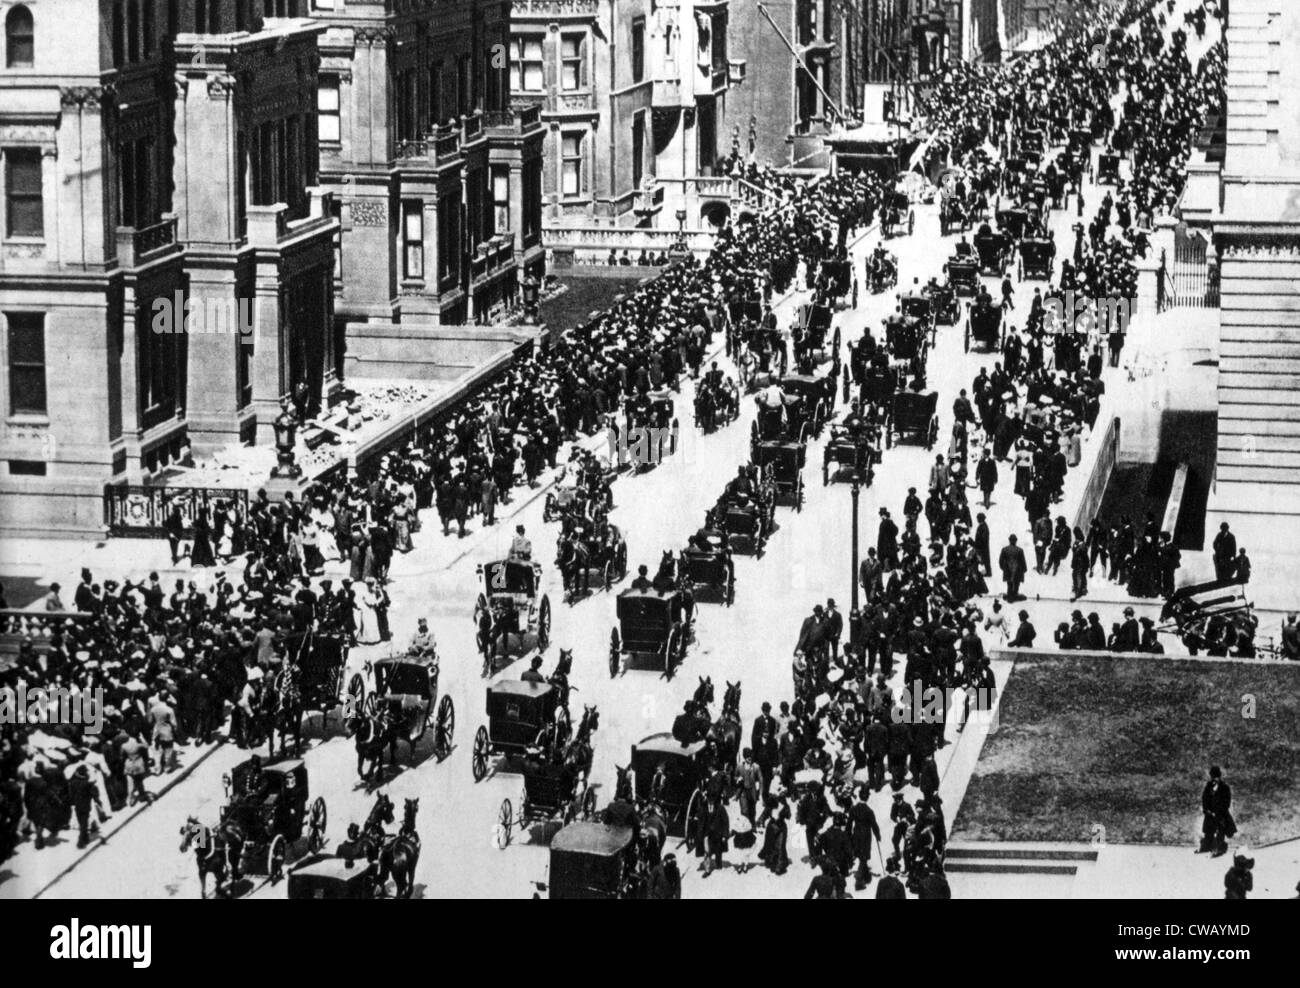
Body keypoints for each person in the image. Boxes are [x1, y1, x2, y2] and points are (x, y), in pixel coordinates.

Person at [1199, 765, 1234, 857]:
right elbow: (1205, 799)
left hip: (1221, 813)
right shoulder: (1208, 786)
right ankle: (1206, 847)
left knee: (1221, 831)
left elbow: (1227, 801)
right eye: (1213, 776)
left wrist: (1219, 811)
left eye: (1215, 776)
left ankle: (1220, 848)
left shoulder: (1224, 787)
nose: (1214, 778)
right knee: (1208, 831)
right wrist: (1206, 810)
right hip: (1210, 813)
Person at [999, 534, 1027, 601]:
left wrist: (1004, 568)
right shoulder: (1020, 550)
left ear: (1009, 540)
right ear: (1016, 541)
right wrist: (1024, 569)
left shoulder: (1004, 549)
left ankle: (1009, 596)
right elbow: (1023, 562)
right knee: (1017, 584)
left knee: (1009, 584)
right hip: (1017, 570)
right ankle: (1015, 595)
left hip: (1008, 570)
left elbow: (1000, 561)